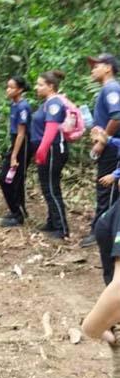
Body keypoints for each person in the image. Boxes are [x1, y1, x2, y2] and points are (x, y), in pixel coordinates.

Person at [81, 54, 120, 248]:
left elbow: (117, 116)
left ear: (108, 68)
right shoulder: (106, 89)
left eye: (96, 66)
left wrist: (102, 142)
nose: (92, 70)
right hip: (110, 146)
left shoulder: (111, 88)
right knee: (105, 189)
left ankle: (103, 231)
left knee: (108, 189)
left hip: (112, 148)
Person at [32, 70, 69, 239]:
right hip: (47, 149)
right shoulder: (48, 102)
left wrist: (42, 149)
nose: (36, 88)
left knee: (52, 188)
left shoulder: (54, 103)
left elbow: (51, 129)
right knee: (47, 187)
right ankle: (52, 222)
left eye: (40, 85)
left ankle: (61, 228)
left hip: (52, 149)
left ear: (51, 86)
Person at [0, 76, 31, 227]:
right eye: (7, 87)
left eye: (11, 87)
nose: (8, 90)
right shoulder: (14, 104)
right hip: (15, 142)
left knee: (8, 179)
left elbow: (21, 133)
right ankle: (17, 210)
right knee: (10, 179)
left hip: (22, 145)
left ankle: (18, 214)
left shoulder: (23, 107)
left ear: (20, 90)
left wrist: (14, 155)